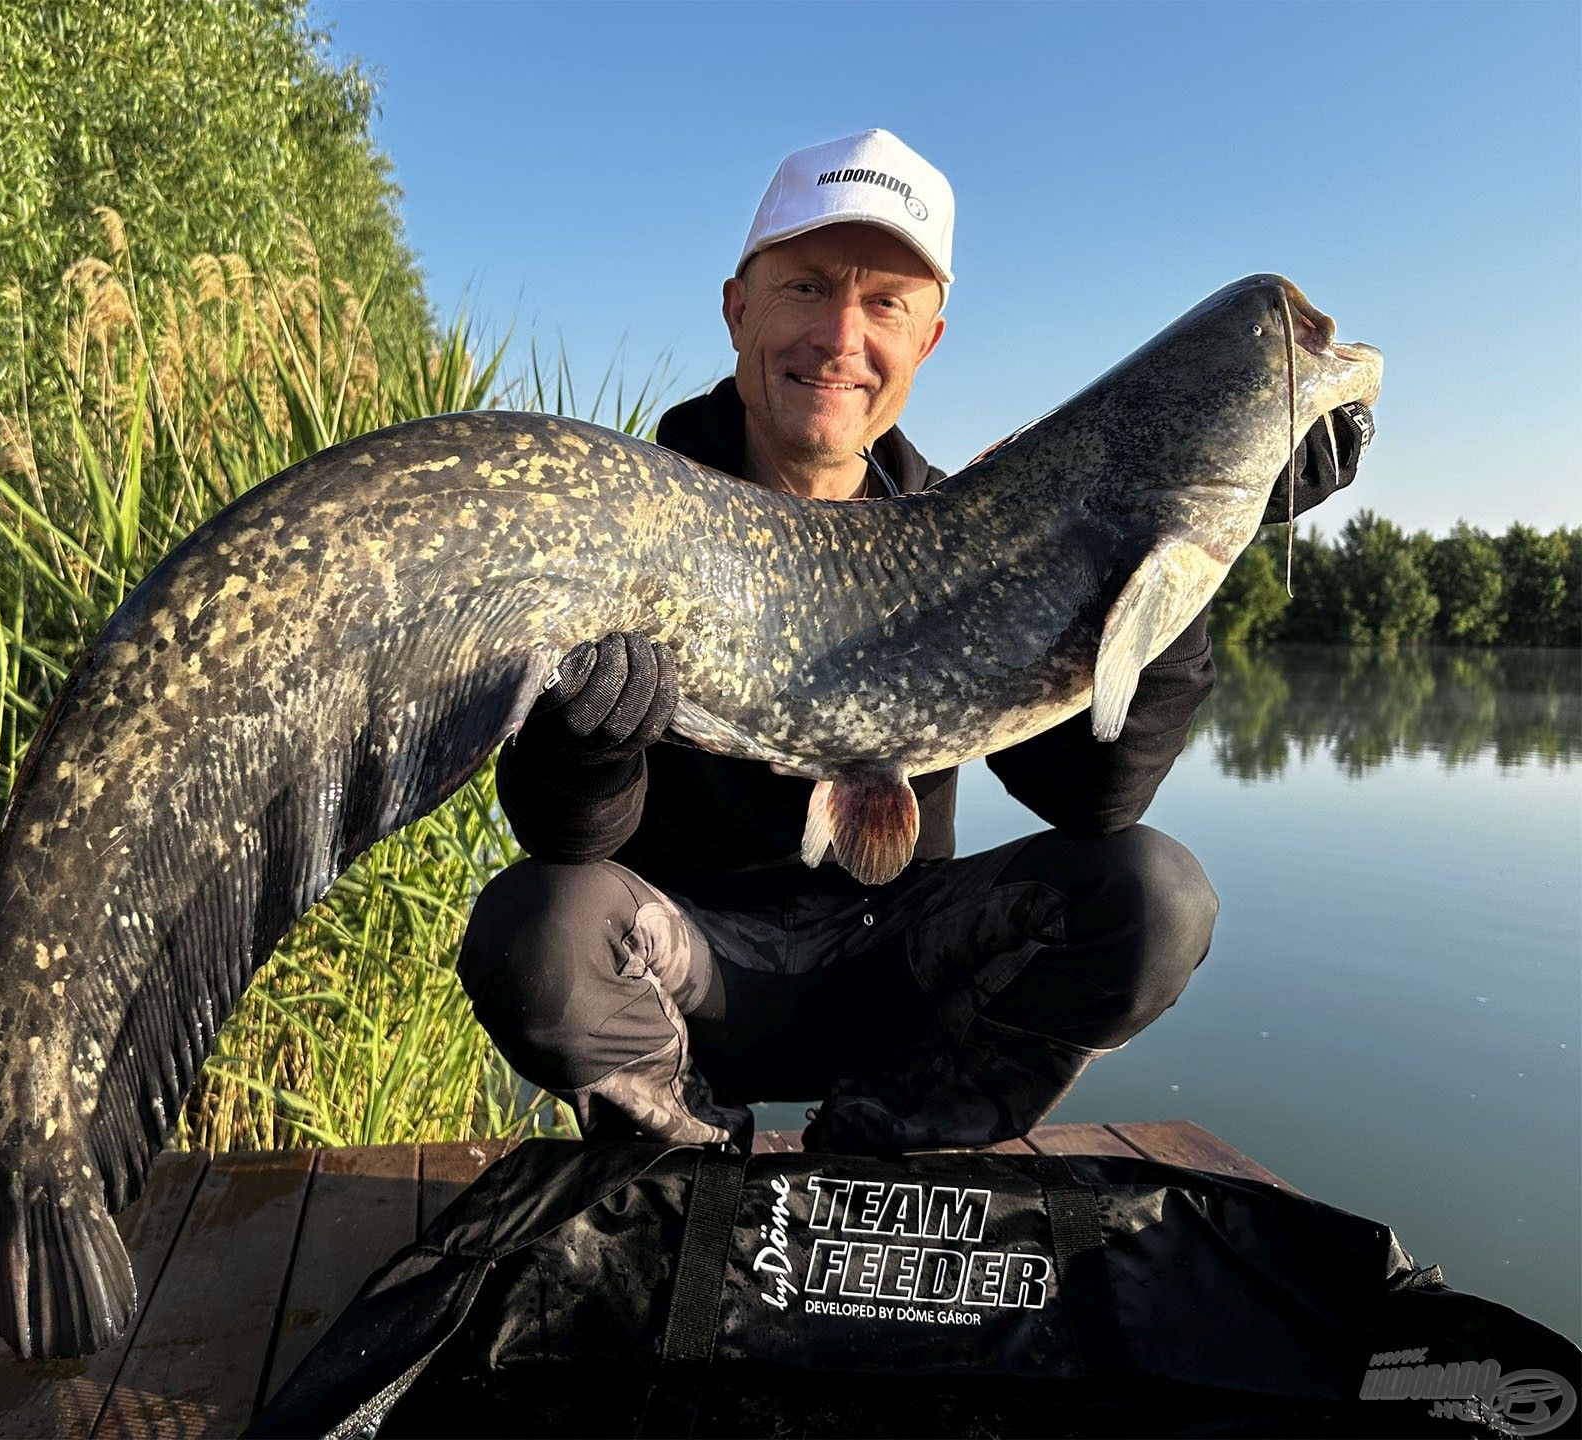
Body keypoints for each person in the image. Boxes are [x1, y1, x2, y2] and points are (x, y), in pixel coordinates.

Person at [456, 129, 1374, 1155]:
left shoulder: (976, 528)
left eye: (885, 302)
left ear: (927, 340)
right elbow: (565, 839)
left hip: (896, 968)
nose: (841, 338)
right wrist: (592, 743)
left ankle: (908, 1123)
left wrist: (1186, 547)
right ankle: (684, 1151)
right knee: (534, 927)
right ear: (737, 308)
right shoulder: (631, 518)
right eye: (807, 287)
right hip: (688, 971)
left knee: (1155, 896)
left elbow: (1092, 797)